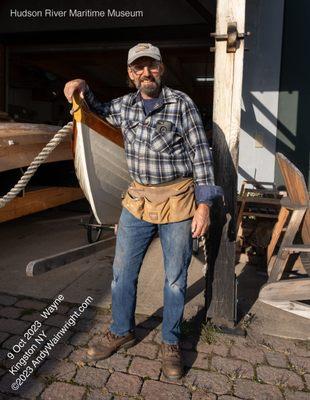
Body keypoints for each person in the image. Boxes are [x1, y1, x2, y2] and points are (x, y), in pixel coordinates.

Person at [64, 43, 222, 380]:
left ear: (161, 70)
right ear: (130, 74)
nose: (145, 73)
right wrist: (81, 87)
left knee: (175, 280)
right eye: (138, 68)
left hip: (178, 199)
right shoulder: (123, 106)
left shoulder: (181, 104)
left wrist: (204, 205)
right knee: (121, 274)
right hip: (137, 200)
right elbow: (97, 109)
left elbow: (201, 156)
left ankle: (170, 341)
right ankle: (121, 331)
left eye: (151, 67)